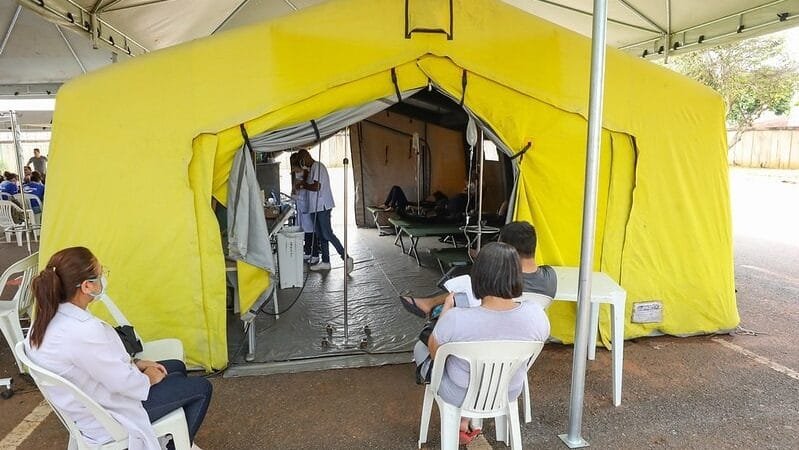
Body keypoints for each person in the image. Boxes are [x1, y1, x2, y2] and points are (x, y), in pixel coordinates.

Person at [25, 247, 212, 450]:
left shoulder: (45, 319)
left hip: (91, 403)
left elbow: (95, 363)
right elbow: (124, 384)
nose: (103, 278)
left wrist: (138, 364)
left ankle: (174, 434)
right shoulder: (83, 330)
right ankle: (175, 446)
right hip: (110, 416)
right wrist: (148, 377)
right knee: (202, 388)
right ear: (87, 286)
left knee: (176, 367)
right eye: (100, 273)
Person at [412, 242, 550, 445]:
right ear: (517, 276)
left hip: (459, 394)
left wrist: (447, 309)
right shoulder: (536, 315)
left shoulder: (456, 319)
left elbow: (435, 352)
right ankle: (467, 422)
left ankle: (460, 420)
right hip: (508, 390)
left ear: (477, 277)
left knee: (421, 348)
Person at [399, 221, 556, 317]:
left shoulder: (501, 282)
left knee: (466, 284)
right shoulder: (551, 277)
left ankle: (429, 303)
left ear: (506, 249)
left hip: (491, 325)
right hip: (522, 336)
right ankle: (429, 303)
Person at [296, 149, 354, 274]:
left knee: (327, 234)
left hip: (322, 206)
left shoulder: (317, 166)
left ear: (306, 156)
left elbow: (317, 186)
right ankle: (326, 262)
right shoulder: (311, 169)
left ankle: (346, 258)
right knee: (321, 235)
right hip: (314, 207)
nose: (302, 164)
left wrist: (302, 185)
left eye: (302, 161)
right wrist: (305, 177)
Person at [289, 153, 320, 264]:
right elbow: (294, 187)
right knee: (304, 230)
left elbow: (305, 185)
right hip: (300, 204)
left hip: (306, 203)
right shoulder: (294, 173)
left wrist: (299, 188)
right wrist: (293, 194)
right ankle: (307, 252)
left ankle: (315, 253)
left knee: (310, 230)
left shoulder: (306, 171)